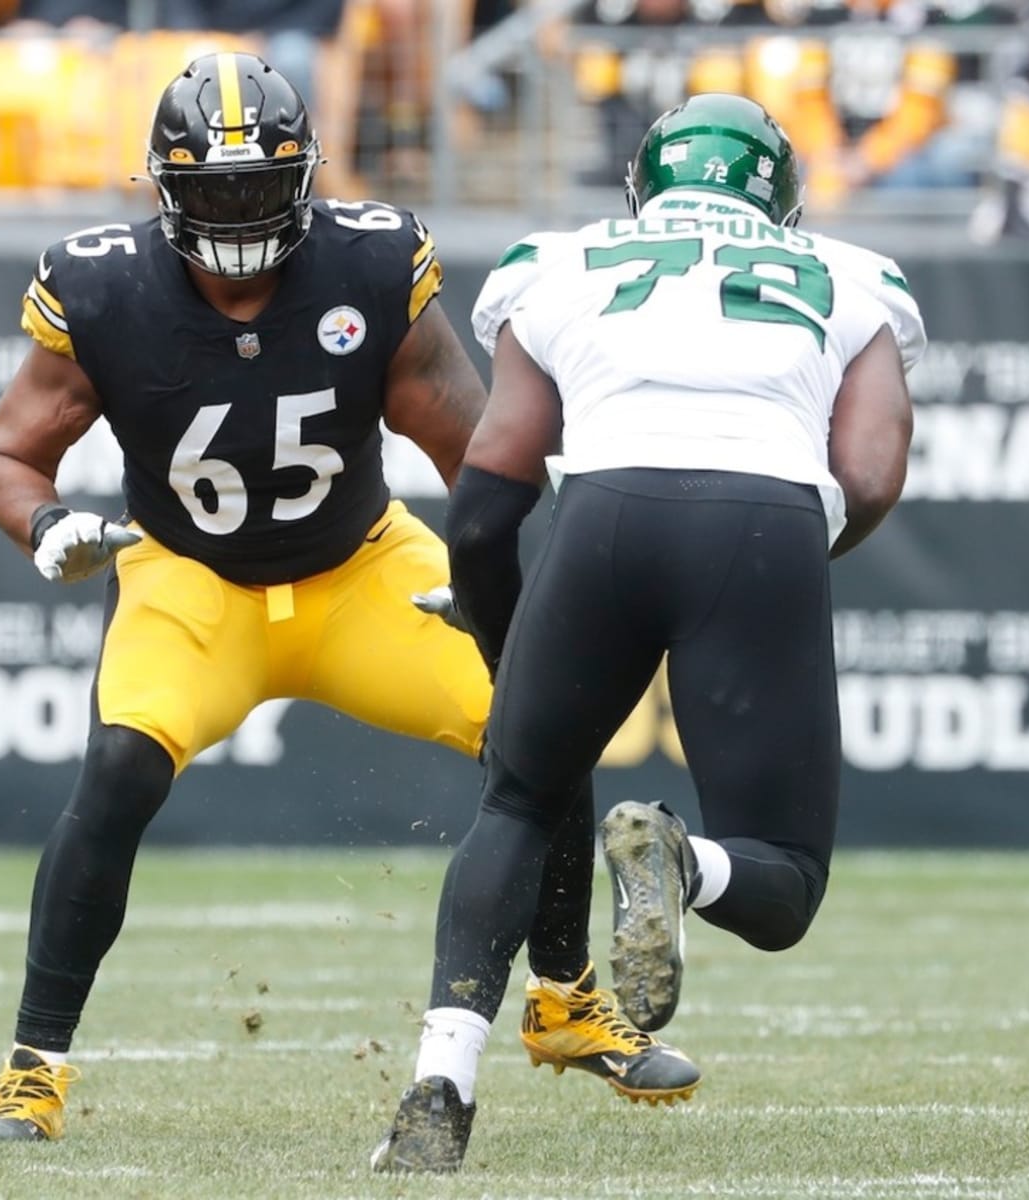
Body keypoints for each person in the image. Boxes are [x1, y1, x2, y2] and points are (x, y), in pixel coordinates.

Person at [0, 50, 691, 1144]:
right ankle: (31, 1070)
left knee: (544, 722)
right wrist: (45, 521)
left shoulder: (370, 263)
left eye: (260, 187)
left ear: (307, 180)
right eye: (214, 192)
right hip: (191, 584)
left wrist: (495, 585)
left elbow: (471, 450)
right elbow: (8, 457)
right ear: (165, 193)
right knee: (116, 768)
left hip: (363, 573)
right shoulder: (103, 287)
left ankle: (566, 998)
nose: (240, 214)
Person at [373, 91, 925, 1173]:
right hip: (764, 519)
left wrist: (506, 625)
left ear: (644, 189)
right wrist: (774, 568)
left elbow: (485, 505)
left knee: (521, 800)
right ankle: (685, 863)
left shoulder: (564, 263)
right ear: (785, 200)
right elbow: (866, 475)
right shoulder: (853, 278)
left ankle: (440, 1087)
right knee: (784, 882)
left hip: (603, 518)